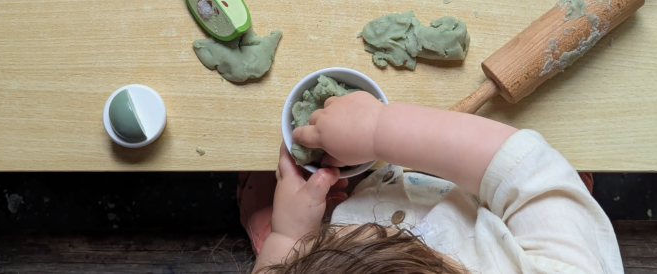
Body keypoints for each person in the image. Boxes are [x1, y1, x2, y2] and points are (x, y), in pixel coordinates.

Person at [238, 92, 622, 273]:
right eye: (378, 235)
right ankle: (557, 219)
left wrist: (290, 240)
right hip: (493, 220)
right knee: (549, 198)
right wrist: (378, 128)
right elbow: (524, 168)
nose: (370, 225)